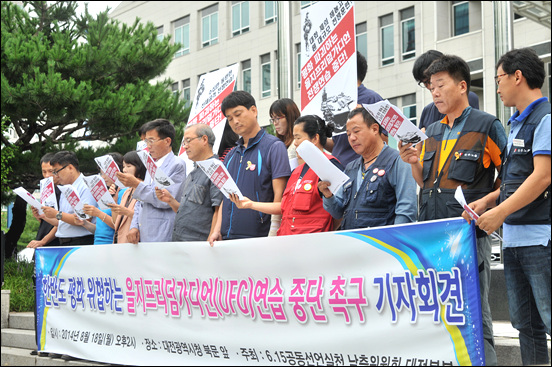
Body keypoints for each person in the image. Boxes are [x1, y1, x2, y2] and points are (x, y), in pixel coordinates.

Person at [398, 55, 507, 366]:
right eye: (431, 87)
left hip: (468, 235)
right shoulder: (429, 130)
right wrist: (413, 162)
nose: (434, 93)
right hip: (430, 234)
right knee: (437, 308)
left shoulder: (487, 125)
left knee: (473, 308)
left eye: (440, 85)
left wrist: (487, 202)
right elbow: (424, 182)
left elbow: (512, 176)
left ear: (462, 86)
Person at [462, 48, 550, 366]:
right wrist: (487, 202)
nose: (496, 86)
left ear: (517, 76)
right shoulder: (514, 125)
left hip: (541, 240)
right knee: (526, 326)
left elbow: (542, 177)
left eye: (499, 78)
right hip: (514, 240)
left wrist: (500, 212)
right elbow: (515, 181)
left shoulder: (546, 118)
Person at [230, 115, 344, 235]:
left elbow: (339, 213)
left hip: (312, 243)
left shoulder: (329, 165)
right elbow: (284, 207)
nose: (295, 143)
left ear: (315, 138)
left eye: (298, 138)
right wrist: (251, 204)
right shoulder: (296, 171)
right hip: (287, 241)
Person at [208, 91, 291, 244]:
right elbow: (225, 198)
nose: (234, 121)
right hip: (226, 238)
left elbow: (281, 200)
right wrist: (217, 230)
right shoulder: (230, 155)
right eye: (230, 118)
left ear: (253, 110)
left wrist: (273, 235)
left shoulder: (274, 147)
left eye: (238, 114)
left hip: (259, 239)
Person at [320, 107, 417, 229]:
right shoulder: (351, 167)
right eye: (348, 134)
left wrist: (396, 240)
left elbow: (406, 210)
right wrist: (328, 196)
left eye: (356, 131)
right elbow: (337, 212)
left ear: (375, 129)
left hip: (382, 243)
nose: (352, 138)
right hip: (353, 242)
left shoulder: (398, 161)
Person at [117, 119, 187, 244]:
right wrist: (134, 226)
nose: (148, 146)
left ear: (167, 141)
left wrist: (136, 184)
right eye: (146, 141)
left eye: (151, 141)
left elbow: (164, 200)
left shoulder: (177, 164)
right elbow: (140, 201)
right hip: (144, 232)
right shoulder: (151, 165)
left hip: (162, 232)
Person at [155, 124, 223, 242]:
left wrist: (211, 240)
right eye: (184, 142)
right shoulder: (192, 173)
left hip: (200, 246)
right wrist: (170, 200)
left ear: (204, 139)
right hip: (180, 243)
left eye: (188, 140)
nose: (185, 146)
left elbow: (218, 209)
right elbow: (186, 211)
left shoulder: (216, 170)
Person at [326, 51, 384, 167]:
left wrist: (365, 117)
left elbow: (384, 140)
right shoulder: (334, 102)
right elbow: (338, 146)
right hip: (339, 170)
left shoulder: (371, 98)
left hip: (363, 171)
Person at [412, 49, 480, 133]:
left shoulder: (468, 98)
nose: (430, 86)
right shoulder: (427, 111)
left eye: (440, 84)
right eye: (425, 83)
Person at [41, 151, 98, 246]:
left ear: (70, 167)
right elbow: (63, 222)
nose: (55, 175)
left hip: (81, 241)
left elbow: (84, 219)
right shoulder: (65, 187)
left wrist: (57, 214)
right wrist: (43, 215)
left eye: (56, 171)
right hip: (65, 242)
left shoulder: (86, 186)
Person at [77, 152, 127, 245]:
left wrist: (98, 213)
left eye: (105, 173)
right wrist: (84, 223)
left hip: (112, 246)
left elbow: (119, 225)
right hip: (98, 245)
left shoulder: (124, 192)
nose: (103, 177)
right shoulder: (108, 193)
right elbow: (101, 230)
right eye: (101, 173)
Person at [108, 151, 147, 244]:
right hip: (120, 242)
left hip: (134, 242)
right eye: (124, 166)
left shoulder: (146, 189)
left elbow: (147, 218)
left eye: (128, 166)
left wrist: (125, 211)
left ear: (139, 167)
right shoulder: (127, 191)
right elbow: (115, 221)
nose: (124, 170)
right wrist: (113, 200)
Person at [27, 153, 60, 249]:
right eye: (44, 172)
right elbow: (46, 221)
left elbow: (62, 222)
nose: (47, 176)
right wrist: (39, 216)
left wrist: (43, 241)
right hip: (43, 240)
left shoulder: (64, 190)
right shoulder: (46, 190)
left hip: (56, 243)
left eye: (50, 171)